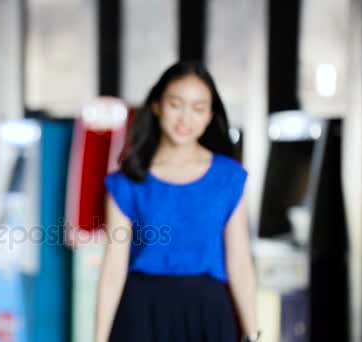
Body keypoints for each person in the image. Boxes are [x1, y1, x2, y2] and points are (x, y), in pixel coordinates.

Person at [94, 61, 261, 342]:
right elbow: (113, 268)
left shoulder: (228, 178)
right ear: (158, 106)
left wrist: (255, 333)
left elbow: (240, 261)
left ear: (210, 115)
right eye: (176, 104)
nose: (185, 118)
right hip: (141, 313)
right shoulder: (128, 181)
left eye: (198, 108)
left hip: (208, 313)